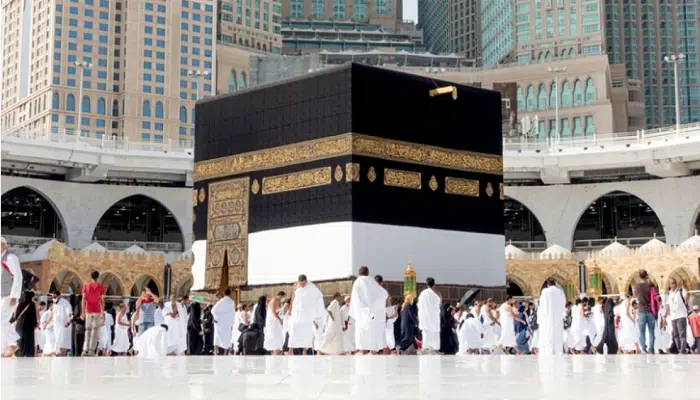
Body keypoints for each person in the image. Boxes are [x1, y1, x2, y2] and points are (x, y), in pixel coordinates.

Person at [349, 266, 389, 354]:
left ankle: (363, 352)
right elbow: (383, 293)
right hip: (373, 313)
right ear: (368, 273)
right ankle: (373, 351)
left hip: (361, 313)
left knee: (362, 335)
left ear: (359, 273)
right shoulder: (372, 282)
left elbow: (355, 299)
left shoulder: (357, 282)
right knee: (372, 333)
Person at [288, 274, 326, 355]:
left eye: (303, 283)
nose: (302, 285)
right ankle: (290, 350)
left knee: (307, 334)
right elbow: (293, 297)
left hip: (307, 314)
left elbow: (318, 299)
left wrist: (315, 315)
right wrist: (290, 308)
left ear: (306, 281)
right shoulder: (296, 285)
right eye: (300, 283)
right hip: (298, 313)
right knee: (294, 330)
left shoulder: (312, 288)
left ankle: (305, 351)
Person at [1, 237, 23, 357]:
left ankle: (13, 343)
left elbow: (18, 276)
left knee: (1, 320)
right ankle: (6, 348)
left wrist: (14, 295)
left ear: (4, 245)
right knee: (2, 321)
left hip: (9, 295)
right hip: (2, 294)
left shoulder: (10, 257)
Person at [537, 279, 566, 355]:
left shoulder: (545, 291)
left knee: (548, 333)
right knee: (558, 334)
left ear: (548, 285)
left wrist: (540, 317)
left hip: (547, 317)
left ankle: (548, 351)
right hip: (558, 317)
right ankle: (558, 351)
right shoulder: (560, 292)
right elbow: (563, 304)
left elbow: (542, 305)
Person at [80, 271, 105, 356]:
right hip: (97, 310)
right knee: (95, 330)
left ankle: (85, 349)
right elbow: (102, 301)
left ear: (90, 276)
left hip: (88, 310)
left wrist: (82, 312)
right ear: (98, 277)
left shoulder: (86, 286)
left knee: (88, 330)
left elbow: (83, 299)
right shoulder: (101, 287)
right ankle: (91, 350)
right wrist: (102, 312)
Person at [633, 270, 655, 354]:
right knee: (651, 331)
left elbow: (635, 295)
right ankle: (651, 348)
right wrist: (648, 279)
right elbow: (654, 289)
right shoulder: (649, 285)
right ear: (646, 276)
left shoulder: (636, 286)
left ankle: (643, 348)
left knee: (642, 331)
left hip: (641, 311)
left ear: (639, 276)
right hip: (650, 310)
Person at [417, 277, 442, 352]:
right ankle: (435, 349)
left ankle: (425, 349)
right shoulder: (437, 294)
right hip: (433, 317)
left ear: (426, 284)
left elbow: (419, 305)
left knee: (426, 334)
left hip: (425, 318)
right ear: (434, 284)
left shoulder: (422, 293)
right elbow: (439, 304)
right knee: (434, 334)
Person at [12, 291, 39, 357]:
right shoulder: (33, 304)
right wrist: (36, 324)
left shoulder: (19, 304)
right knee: (29, 339)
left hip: (20, 325)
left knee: (20, 339)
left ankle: (20, 354)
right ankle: (29, 354)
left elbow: (15, 316)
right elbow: (35, 315)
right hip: (30, 325)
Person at [667, 278, 689, 354]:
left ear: (676, 283)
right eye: (670, 283)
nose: (672, 285)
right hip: (673, 317)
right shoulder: (669, 293)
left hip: (681, 315)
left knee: (682, 334)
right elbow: (668, 304)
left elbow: (686, 298)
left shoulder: (681, 291)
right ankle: (680, 350)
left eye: (673, 283)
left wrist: (685, 289)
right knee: (675, 335)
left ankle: (682, 351)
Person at [211, 288, 236, 355]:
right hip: (227, 323)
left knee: (217, 337)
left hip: (219, 322)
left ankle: (216, 351)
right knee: (226, 338)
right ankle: (225, 353)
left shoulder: (221, 302)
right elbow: (233, 313)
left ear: (224, 294)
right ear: (230, 293)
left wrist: (216, 318)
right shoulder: (232, 302)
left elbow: (213, 311)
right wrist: (232, 322)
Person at [50, 290, 73, 356]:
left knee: (63, 341)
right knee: (57, 339)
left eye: (54, 297)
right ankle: (57, 353)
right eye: (52, 297)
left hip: (64, 326)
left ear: (59, 296)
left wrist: (68, 322)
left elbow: (69, 313)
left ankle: (60, 354)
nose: (53, 298)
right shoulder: (55, 303)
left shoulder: (65, 303)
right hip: (56, 326)